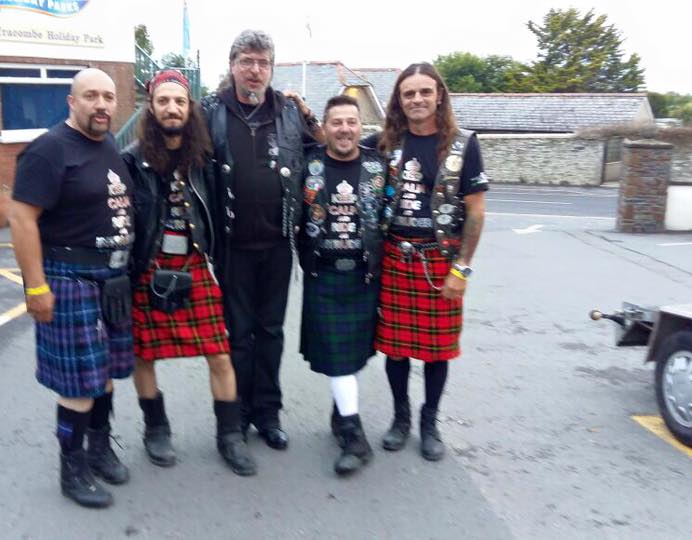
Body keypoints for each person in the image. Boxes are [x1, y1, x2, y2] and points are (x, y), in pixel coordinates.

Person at [9, 68, 135, 508]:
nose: (101, 105)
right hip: (69, 278)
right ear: (71, 101)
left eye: (108, 97)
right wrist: (35, 288)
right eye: (91, 96)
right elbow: (21, 219)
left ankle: (99, 449)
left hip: (112, 280)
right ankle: (72, 468)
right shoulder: (49, 149)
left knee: (104, 375)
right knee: (79, 384)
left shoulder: (108, 144)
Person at [122, 70, 256, 476]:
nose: (172, 108)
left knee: (219, 353)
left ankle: (229, 436)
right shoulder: (131, 160)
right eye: (163, 101)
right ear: (151, 107)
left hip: (194, 265)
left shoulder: (204, 158)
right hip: (149, 266)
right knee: (143, 355)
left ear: (189, 108)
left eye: (179, 101)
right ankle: (156, 429)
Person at [199, 30, 323, 450]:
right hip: (230, 245)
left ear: (271, 68)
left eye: (263, 62)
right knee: (237, 335)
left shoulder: (289, 111)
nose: (255, 70)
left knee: (270, 332)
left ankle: (268, 413)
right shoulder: (210, 111)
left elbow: (326, 150)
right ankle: (236, 415)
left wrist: (310, 114)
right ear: (232, 65)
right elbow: (179, 151)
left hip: (277, 245)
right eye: (247, 61)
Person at [363, 62, 488, 461]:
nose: (416, 99)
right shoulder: (384, 143)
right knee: (395, 349)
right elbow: (336, 143)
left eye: (424, 92)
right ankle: (400, 418)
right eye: (408, 93)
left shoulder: (463, 145)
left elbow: (477, 212)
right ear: (399, 100)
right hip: (395, 258)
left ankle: (429, 422)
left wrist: (461, 269)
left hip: (440, 262)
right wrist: (307, 117)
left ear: (439, 96)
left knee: (438, 351)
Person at [298, 95, 386, 475]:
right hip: (324, 273)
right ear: (326, 127)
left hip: (364, 276)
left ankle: (340, 414)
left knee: (351, 356)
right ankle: (354, 435)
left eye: (352, 122)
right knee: (338, 355)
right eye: (337, 122)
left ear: (361, 126)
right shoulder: (308, 164)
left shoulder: (379, 166)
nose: (345, 129)